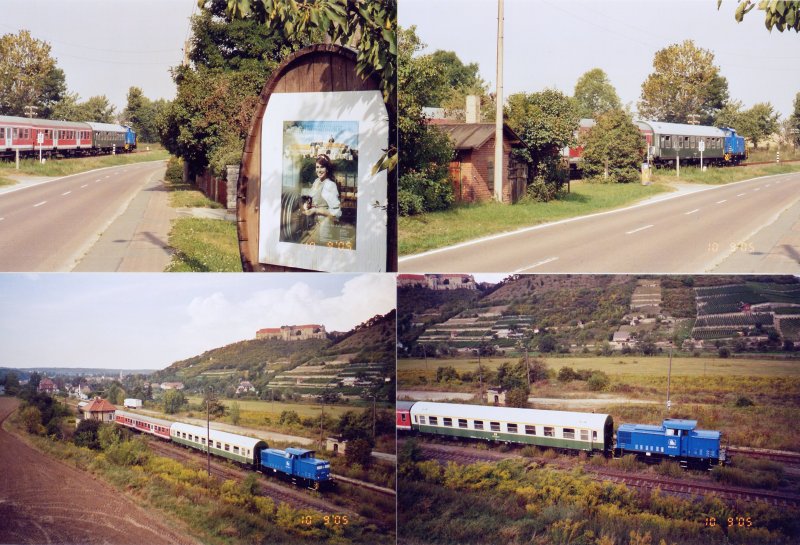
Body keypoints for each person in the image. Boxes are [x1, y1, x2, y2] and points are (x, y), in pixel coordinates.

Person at [302, 154, 341, 244]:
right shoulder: (316, 182)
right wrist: (307, 205)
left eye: (322, 167)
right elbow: (311, 199)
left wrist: (316, 211)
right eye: (317, 167)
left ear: (327, 169)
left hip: (324, 226)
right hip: (313, 225)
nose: (319, 170)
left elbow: (336, 213)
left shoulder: (330, 185)